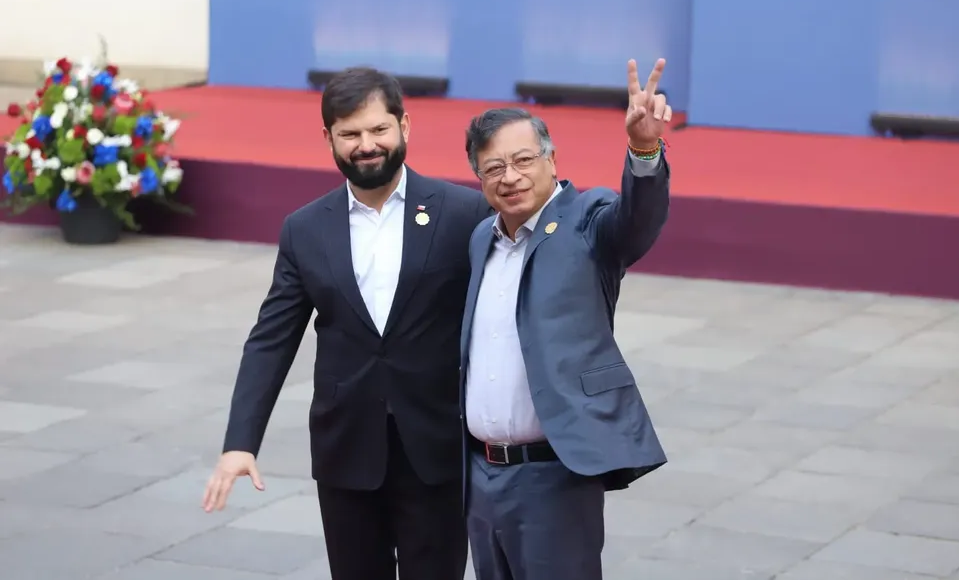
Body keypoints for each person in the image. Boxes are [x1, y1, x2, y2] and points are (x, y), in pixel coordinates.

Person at [202, 67, 493, 580]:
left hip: (436, 447)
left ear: (405, 125)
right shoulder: (306, 229)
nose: (367, 145)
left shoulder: (462, 212)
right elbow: (271, 340)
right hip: (346, 451)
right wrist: (239, 442)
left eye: (378, 129)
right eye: (350, 134)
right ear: (329, 139)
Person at [459, 59, 672, 580]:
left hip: (554, 474)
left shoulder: (587, 220)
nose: (510, 178)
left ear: (552, 160)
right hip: (481, 476)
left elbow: (636, 223)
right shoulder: (480, 239)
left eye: (524, 159)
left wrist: (645, 150)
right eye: (493, 168)